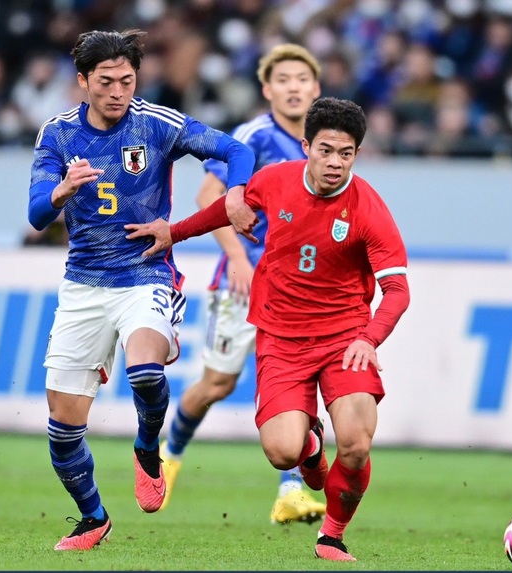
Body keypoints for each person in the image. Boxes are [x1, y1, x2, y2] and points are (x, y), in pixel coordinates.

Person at [125, 97, 411, 562]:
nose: (335, 163)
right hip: (281, 338)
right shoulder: (275, 181)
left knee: (357, 444)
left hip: (345, 338)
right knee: (283, 453)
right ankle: (310, 445)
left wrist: (368, 338)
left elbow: (398, 291)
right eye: (326, 150)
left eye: (346, 153)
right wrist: (173, 232)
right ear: (306, 146)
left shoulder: (369, 208)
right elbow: (226, 208)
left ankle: (332, 536)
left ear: (357, 154)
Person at [26, 29, 254, 552]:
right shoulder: (57, 135)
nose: (117, 91)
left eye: (127, 80)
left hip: (146, 272)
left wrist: (237, 190)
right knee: (63, 428)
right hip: (83, 283)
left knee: (146, 369)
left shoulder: (157, 123)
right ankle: (93, 519)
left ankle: (147, 447)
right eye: (105, 82)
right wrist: (60, 192)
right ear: (83, 81)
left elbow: (234, 149)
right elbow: (37, 214)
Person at [157, 43, 326, 525]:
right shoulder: (254, 137)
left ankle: (290, 492)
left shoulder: (322, 142)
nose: (294, 87)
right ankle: (168, 455)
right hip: (243, 282)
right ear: (267, 89)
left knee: (297, 383)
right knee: (217, 383)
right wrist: (238, 259)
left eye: (302, 79)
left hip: (296, 289)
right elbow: (209, 196)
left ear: (315, 88)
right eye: (284, 80)